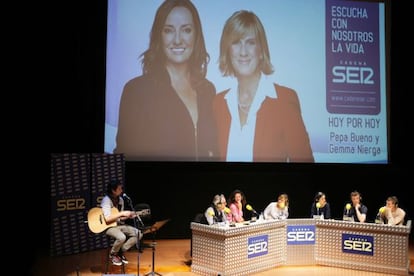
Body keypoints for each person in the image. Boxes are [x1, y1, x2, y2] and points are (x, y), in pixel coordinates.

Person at [114, 0, 218, 161]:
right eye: (169, 30)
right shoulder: (137, 91)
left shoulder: (208, 90)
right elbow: (125, 160)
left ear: (197, 36)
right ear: (159, 36)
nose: (177, 40)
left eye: (186, 30)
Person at [213, 10, 314, 162]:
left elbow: (305, 170)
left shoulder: (285, 100)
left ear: (261, 51)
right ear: (227, 51)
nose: (243, 52)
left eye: (250, 43)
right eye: (236, 43)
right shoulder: (217, 104)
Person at [101, 179, 142, 266]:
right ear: (113, 190)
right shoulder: (106, 200)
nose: (121, 190)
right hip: (108, 226)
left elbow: (119, 218)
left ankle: (120, 251)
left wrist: (128, 216)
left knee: (138, 233)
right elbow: (107, 219)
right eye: (119, 189)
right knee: (121, 237)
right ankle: (112, 254)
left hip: (118, 225)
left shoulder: (120, 200)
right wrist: (122, 213)